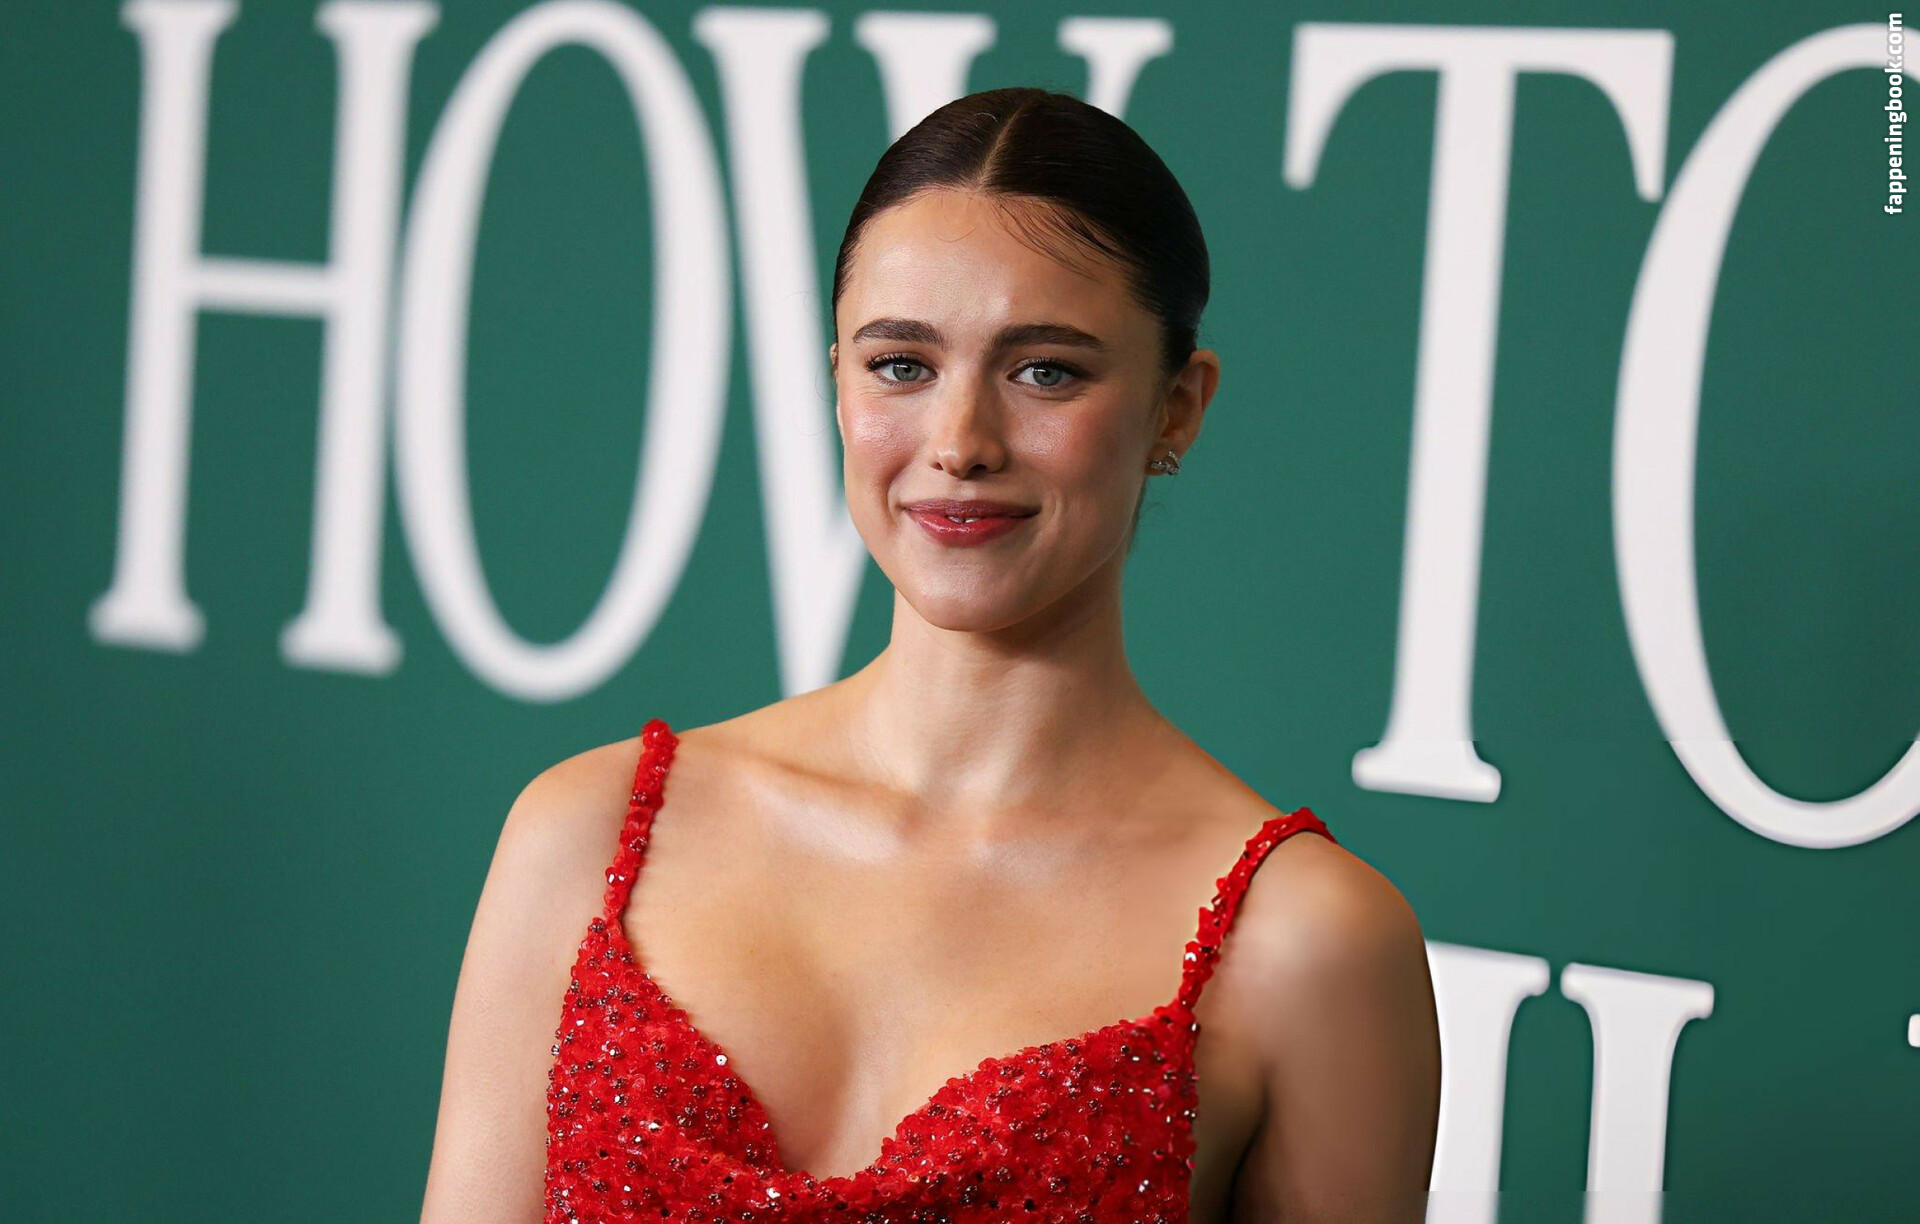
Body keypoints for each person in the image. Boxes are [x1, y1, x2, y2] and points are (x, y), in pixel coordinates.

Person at [421, 86, 1440, 1223]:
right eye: (902, 365)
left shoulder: (1311, 945)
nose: (960, 444)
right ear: (837, 382)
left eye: (1045, 370)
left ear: (1178, 408)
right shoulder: (588, 835)